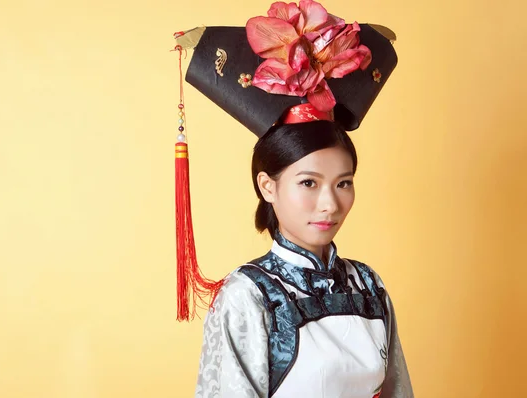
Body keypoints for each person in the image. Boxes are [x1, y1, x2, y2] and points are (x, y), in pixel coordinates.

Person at [172, 1, 414, 397]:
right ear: (268, 186)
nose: (330, 204)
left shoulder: (369, 286)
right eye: (308, 183)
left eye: (343, 183)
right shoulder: (248, 295)